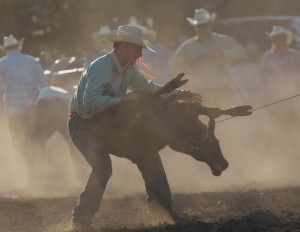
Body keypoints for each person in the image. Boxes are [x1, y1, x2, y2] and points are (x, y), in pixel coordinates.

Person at [68, 25, 202, 231]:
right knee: (103, 167)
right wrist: (122, 99)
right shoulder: (100, 67)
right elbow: (90, 102)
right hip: (83, 125)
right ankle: (81, 220)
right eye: (138, 49)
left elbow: (149, 89)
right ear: (123, 47)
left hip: (107, 124)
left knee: (147, 153)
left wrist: (177, 94)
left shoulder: (128, 69)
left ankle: (161, 209)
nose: (140, 53)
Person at [171, 8, 247, 107]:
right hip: (200, 91)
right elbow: (173, 60)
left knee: (223, 117)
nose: (202, 28)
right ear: (195, 28)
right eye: (199, 26)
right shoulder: (188, 46)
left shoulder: (222, 40)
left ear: (210, 25)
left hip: (222, 88)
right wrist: (186, 61)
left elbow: (241, 52)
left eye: (205, 25)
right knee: (204, 120)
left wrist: (222, 53)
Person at [0, 35, 48, 184]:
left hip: (13, 110)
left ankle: (27, 176)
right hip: (32, 109)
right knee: (35, 140)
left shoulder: (2, 64)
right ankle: (39, 174)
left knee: (18, 142)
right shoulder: (32, 61)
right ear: (18, 46)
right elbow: (44, 83)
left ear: (5, 49)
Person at [260, 25, 300, 101]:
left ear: (285, 39)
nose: (277, 40)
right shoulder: (267, 56)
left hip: (293, 94)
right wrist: (264, 94)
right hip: (274, 95)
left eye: (279, 37)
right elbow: (263, 77)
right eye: (275, 38)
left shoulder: (295, 55)